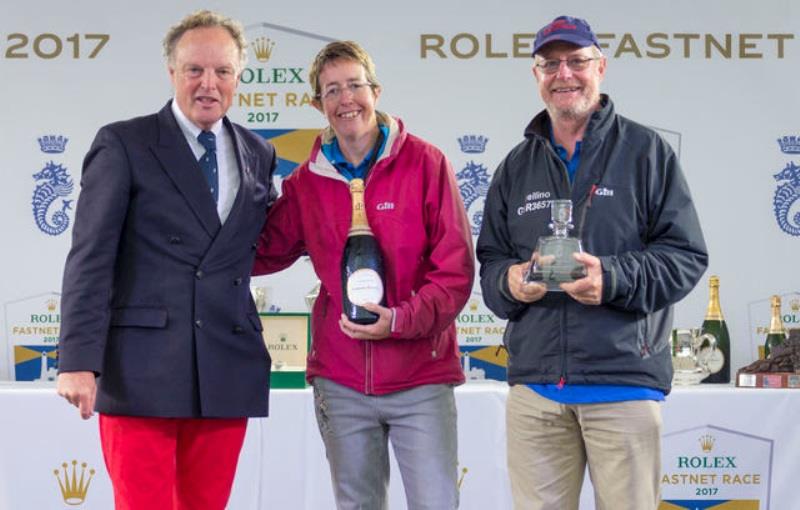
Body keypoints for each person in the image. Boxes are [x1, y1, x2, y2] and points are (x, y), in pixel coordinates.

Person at [476, 15, 708, 510]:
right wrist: (512, 282)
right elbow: (491, 263)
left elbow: (685, 257)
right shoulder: (516, 166)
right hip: (536, 392)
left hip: (622, 385)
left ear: (600, 67)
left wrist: (613, 279)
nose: (565, 74)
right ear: (535, 75)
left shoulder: (647, 153)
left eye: (577, 61)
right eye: (551, 64)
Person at [56, 10, 276, 510]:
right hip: (139, 369)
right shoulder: (124, 143)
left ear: (239, 77)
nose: (208, 83)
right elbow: (90, 258)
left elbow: (249, 247)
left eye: (222, 71)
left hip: (225, 365)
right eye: (194, 70)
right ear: (172, 73)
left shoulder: (258, 152)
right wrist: (77, 361)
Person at [253, 40, 473, 510]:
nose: (345, 99)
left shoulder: (426, 163)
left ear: (376, 91)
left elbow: (455, 270)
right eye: (332, 90)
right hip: (342, 381)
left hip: (421, 377)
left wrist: (402, 320)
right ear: (317, 105)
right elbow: (262, 253)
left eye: (355, 85)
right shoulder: (305, 182)